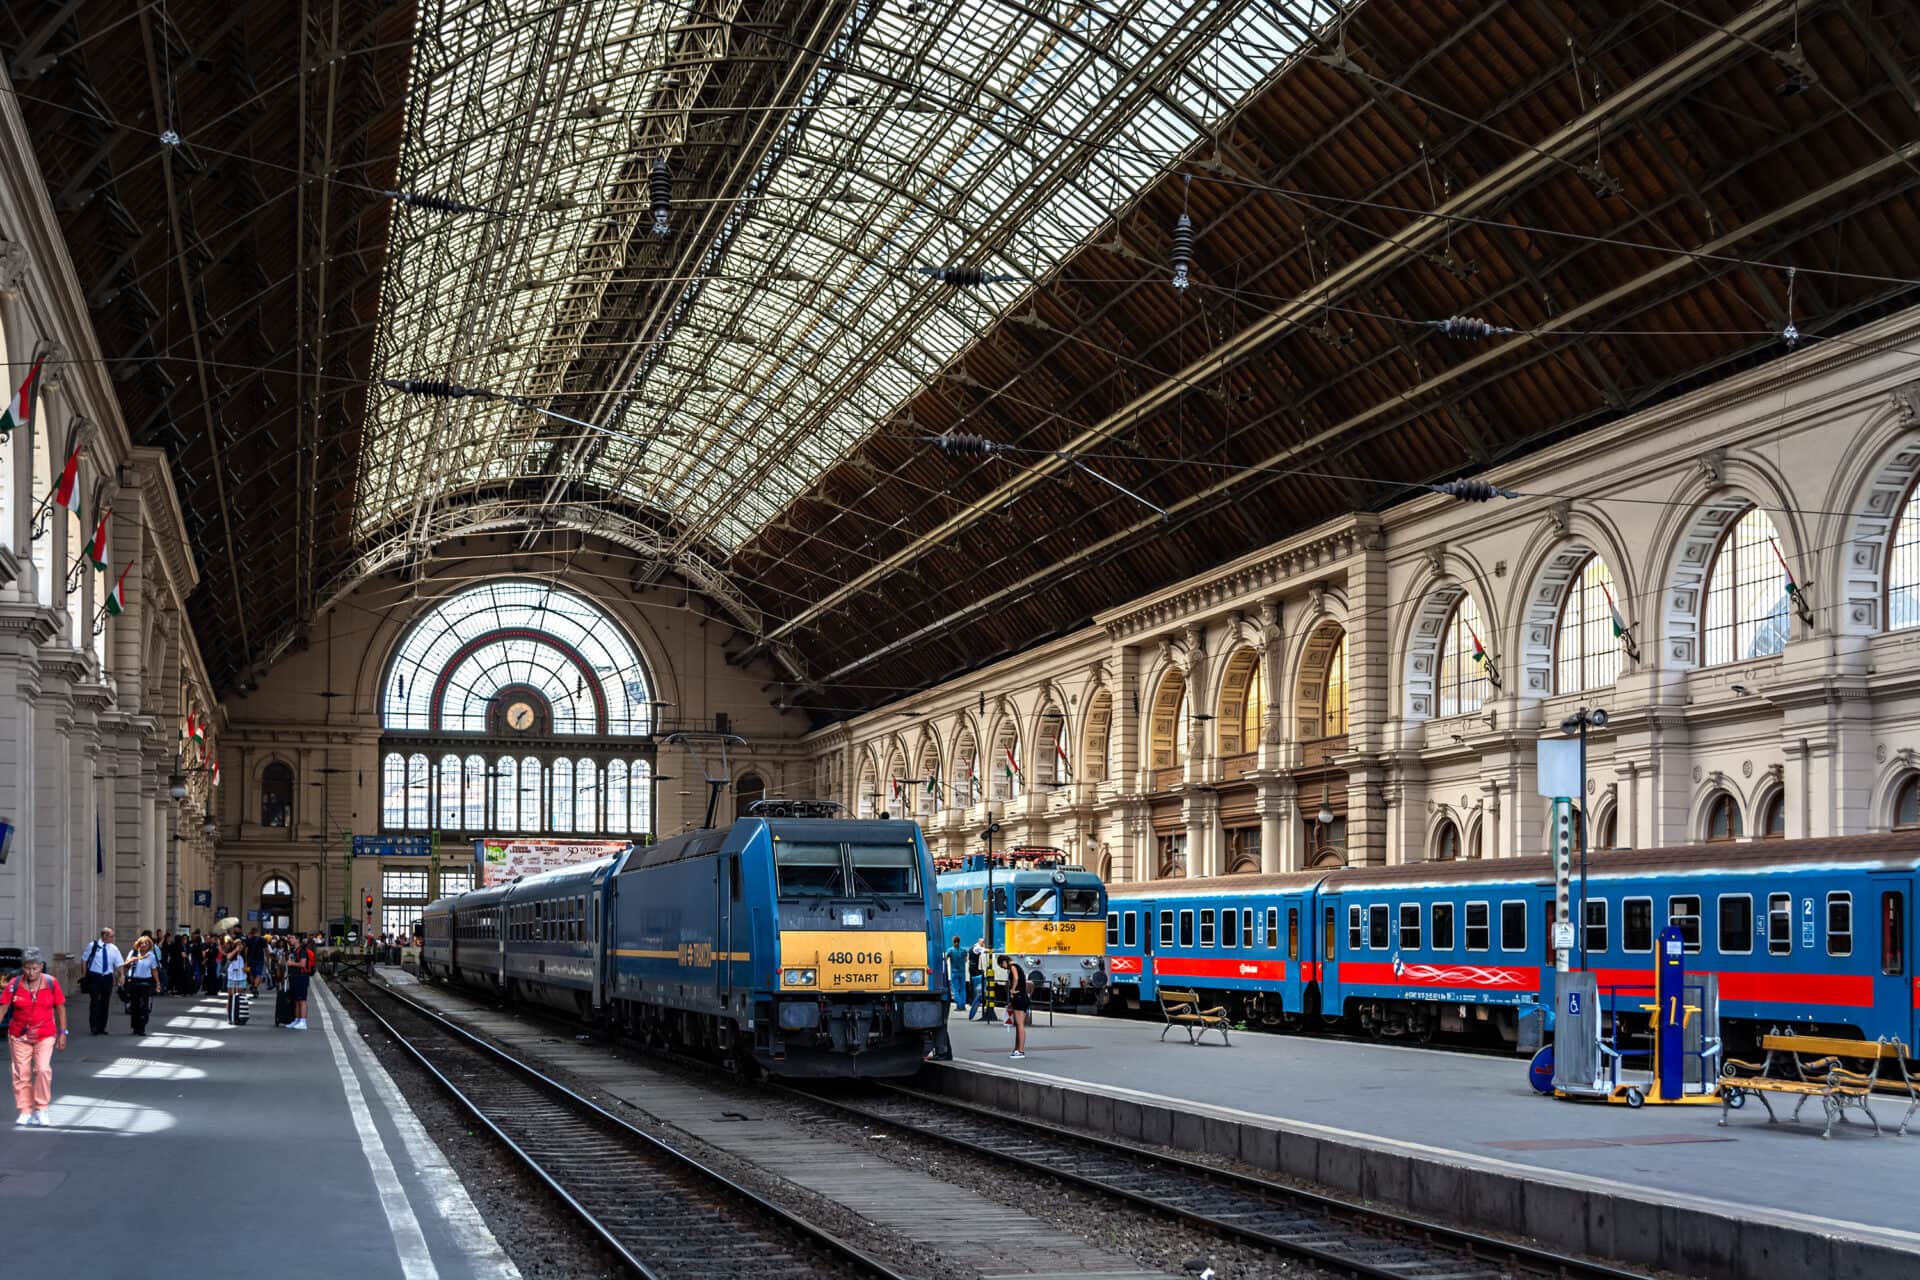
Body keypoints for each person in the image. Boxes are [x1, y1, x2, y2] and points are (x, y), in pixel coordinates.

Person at [2, 947, 69, 1125]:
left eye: (35, 968)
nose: (31, 972)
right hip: (19, 1036)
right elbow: (3, 1007)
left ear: (41, 967)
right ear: (22, 967)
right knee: (21, 1073)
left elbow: (61, 1008)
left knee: (42, 1069)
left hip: (45, 1035)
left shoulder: (51, 983)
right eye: (27, 968)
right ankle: (25, 1110)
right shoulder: (14, 984)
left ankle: (41, 1109)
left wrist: (63, 1033)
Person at [79, 927, 124, 1034]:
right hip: (95, 977)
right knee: (95, 1002)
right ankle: (94, 1026)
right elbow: (84, 960)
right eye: (111, 936)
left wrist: (121, 975)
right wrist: (85, 975)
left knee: (105, 1002)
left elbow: (119, 963)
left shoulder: (114, 948)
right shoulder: (93, 945)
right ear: (104, 936)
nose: (113, 938)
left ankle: (102, 1027)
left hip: (107, 978)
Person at [119, 936, 162, 1035]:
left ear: (149, 945)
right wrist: (131, 960)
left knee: (145, 1006)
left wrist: (158, 983)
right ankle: (135, 1026)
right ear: (138, 944)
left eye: (146, 943)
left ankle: (142, 1027)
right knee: (134, 1006)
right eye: (142, 943)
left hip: (146, 982)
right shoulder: (133, 953)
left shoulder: (151, 956)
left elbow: (154, 969)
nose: (144, 945)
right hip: (134, 981)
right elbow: (125, 965)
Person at [282, 931, 315, 1030]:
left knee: (302, 1000)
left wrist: (291, 963)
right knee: (296, 1000)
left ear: (297, 939)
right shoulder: (294, 950)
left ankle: (303, 1021)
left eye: (292, 938)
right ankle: (297, 1019)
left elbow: (302, 964)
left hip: (301, 976)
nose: (290, 940)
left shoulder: (302, 950)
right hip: (294, 976)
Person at [1005, 956, 1030, 1060]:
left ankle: (1020, 1050)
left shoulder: (1013, 967)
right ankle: (1017, 1048)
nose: (1004, 968)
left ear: (1004, 961)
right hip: (1023, 997)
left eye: (1002, 965)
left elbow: (1015, 978)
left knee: (1019, 1025)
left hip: (1019, 997)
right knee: (1019, 1025)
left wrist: (1012, 990)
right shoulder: (1018, 966)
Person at [966, 939, 986, 1020]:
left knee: (973, 983)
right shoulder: (977, 947)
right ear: (980, 942)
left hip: (972, 967)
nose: (983, 943)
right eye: (983, 942)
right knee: (976, 984)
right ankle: (975, 1000)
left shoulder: (973, 947)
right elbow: (986, 950)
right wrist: (988, 949)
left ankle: (972, 1000)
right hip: (974, 969)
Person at [945, 935, 967, 1010]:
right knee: (963, 989)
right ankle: (963, 1005)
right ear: (959, 941)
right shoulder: (963, 951)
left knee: (955, 989)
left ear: (953, 941)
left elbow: (945, 959)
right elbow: (965, 960)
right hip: (962, 972)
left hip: (954, 972)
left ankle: (959, 1005)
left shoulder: (950, 950)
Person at [244, 927, 267, 994]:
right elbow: (266, 949)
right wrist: (267, 958)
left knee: (251, 973)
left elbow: (246, 950)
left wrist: (246, 958)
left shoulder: (249, 940)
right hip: (260, 959)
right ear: (257, 932)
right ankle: (255, 987)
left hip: (251, 959)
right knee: (259, 974)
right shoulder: (262, 939)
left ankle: (253, 985)